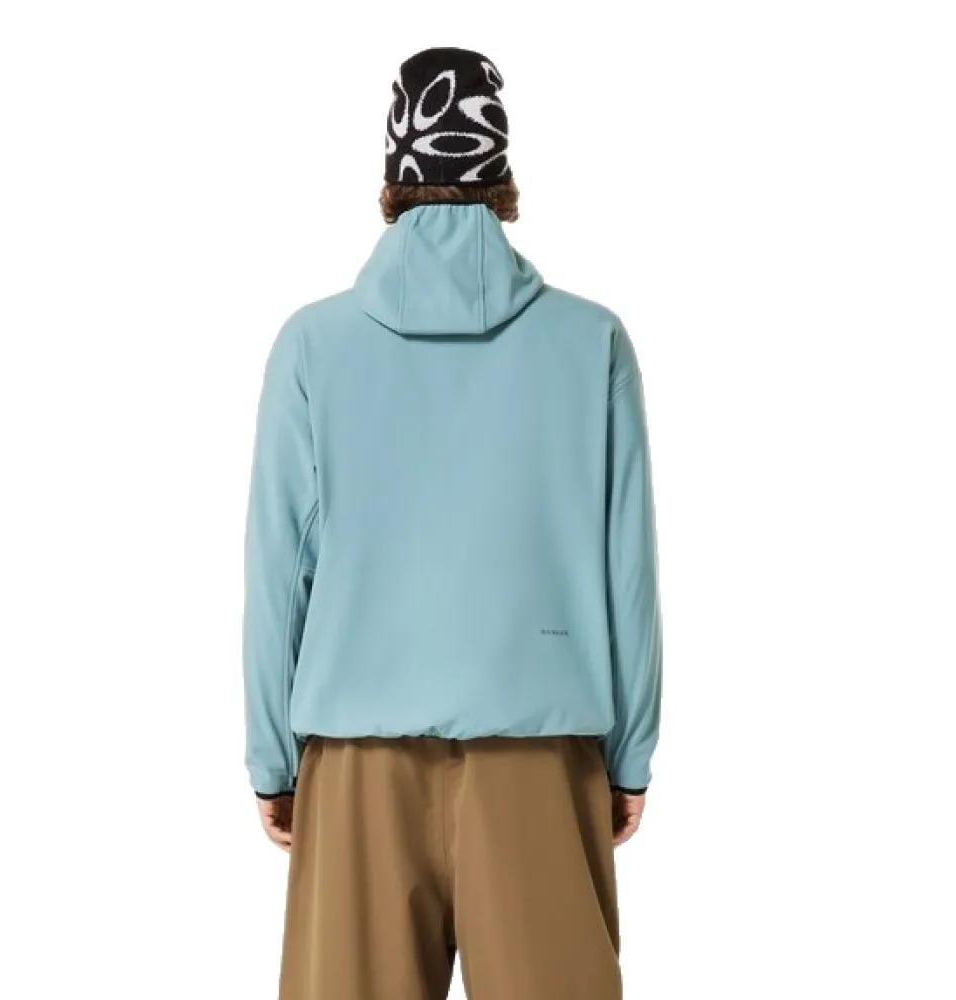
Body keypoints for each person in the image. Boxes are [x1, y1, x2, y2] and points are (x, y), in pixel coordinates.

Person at [243, 46, 663, 1000]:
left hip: (356, 765)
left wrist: (273, 761)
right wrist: (630, 753)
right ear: (503, 178)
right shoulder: (590, 342)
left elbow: (278, 570)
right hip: (544, 758)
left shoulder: (312, 346)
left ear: (390, 181)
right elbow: (626, 569)